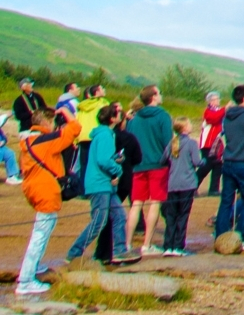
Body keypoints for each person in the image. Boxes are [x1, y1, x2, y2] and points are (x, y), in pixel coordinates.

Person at [16, 107, 82, 294]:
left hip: (33, 188)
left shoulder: (28, 140)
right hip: (45, 190)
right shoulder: (47, 140)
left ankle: (33, 268)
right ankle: (25, 281)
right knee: (39, 235)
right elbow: (75, 128)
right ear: (45, 122)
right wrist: (66, 112)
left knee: (43, 231)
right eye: (53, 122)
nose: (55, 126)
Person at [66, 101, 125, 264]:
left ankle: (120, 250)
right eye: (118, 114)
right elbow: (103, 160)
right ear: (112, 119)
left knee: (119, 215)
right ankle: (74, 252)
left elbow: (104, 158)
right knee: (99, 221)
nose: (121, 116)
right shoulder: (105, 134)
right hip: (100, 184)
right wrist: (118, 169)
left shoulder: (104, 134)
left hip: (104, 183)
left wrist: (116, 160)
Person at [124, 86, 175, 254]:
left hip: (138, 166)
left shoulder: (134, 119)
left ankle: (127, 244)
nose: (161, 95)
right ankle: (146, 245)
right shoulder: (163, 116)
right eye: (159, 93)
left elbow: (129, 142)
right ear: (153, 97)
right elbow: (168, 142)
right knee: (155, 203)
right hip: (157, 165)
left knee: (136, 204)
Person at [212, 83, 244, 242]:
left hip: (228, 161)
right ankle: (241, 236)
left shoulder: (227, 115)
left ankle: (220, 235)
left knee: (226, 200)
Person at [162, 116, 202, 255]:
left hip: (173, 184)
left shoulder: (171, 143)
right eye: (190, 123)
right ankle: (178, 246)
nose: (191, 125)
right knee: (182, 215)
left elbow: (163, 160)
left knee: (171, 215)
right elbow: (197, 162)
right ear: (184, 128)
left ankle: (168, 246)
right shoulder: (191, 144)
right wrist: (206, 160)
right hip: (187, 184)